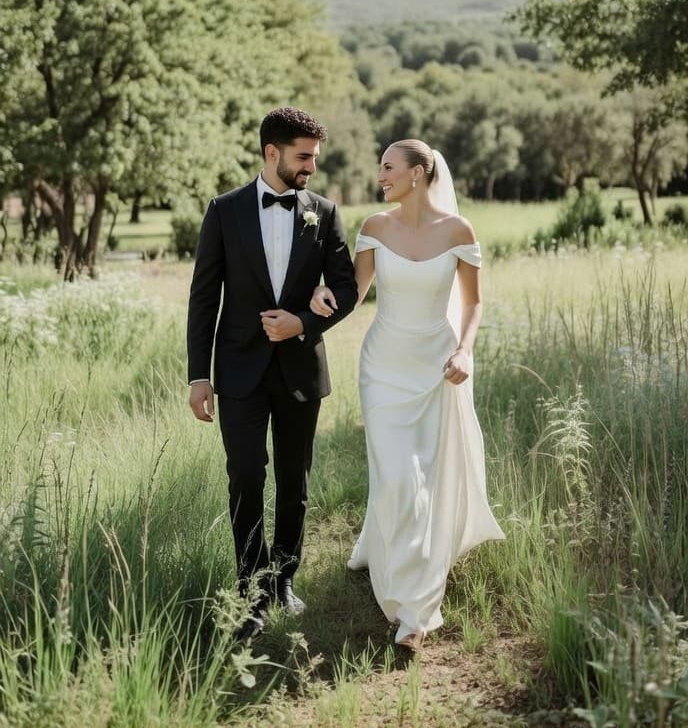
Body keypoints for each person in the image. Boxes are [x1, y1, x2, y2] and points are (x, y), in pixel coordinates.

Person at [310, 139, 505, 651]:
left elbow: (473, 303)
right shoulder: (375, 227)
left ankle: (415, 614)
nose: (381, 176)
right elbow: (353, 293)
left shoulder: (459, 231)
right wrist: (320, 295)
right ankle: (401, 582)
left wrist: (464, 351)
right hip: (383, 367)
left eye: (389, 167)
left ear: (418, 173)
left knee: (424, 478)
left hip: (436, 366)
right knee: (397, 476)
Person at [187, 107, 358, 641]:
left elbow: (347, 288)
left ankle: (284, 579)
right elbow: (203, 298)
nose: (311, 167)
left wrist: (302, 322)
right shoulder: (224, 211)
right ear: (271, 152)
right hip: (238, 370)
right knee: (245, 476)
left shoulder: (324, 213)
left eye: (314, 157)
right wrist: (198, 376)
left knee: (294, 479)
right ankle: (251, 591)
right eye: (303, 156)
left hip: (300, 369)